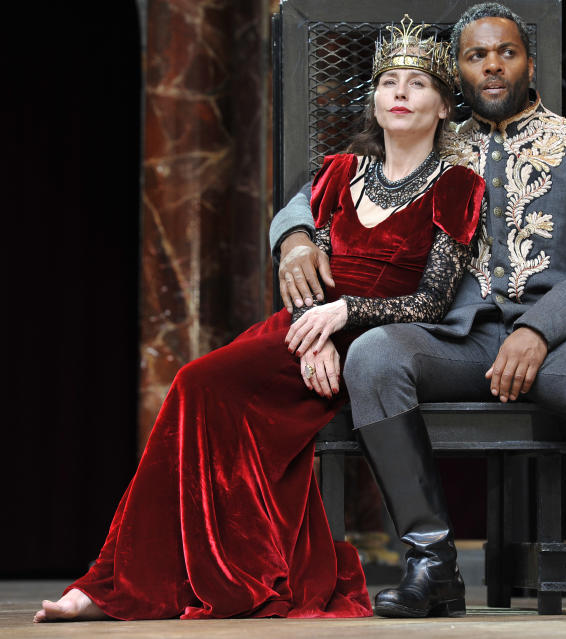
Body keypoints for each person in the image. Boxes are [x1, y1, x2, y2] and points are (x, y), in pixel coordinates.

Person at [34, 15, 484, 622]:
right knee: (196, 383)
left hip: (381, 340)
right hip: (303, 336)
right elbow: (308, 276)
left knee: (211, 395)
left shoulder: (458, 185)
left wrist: (342, 318)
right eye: (388, 82)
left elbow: (430, 302)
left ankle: (186, 574)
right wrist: (314, 336)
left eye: (418, 83)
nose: (400, 93)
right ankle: (119, 581)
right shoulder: (337, 174)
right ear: (374, 101)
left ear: (443, 106)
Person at [270, 2, 566, 621]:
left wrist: (538, 331)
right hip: (450, 336)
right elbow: (319, 192)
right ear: (457, 75)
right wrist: (295, 237)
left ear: (529, 61)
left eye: (506, 52)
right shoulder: (434, 139)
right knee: (376, 354)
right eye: (476, 55)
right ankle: (431, 564)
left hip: (562, 340)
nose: (493, 65)